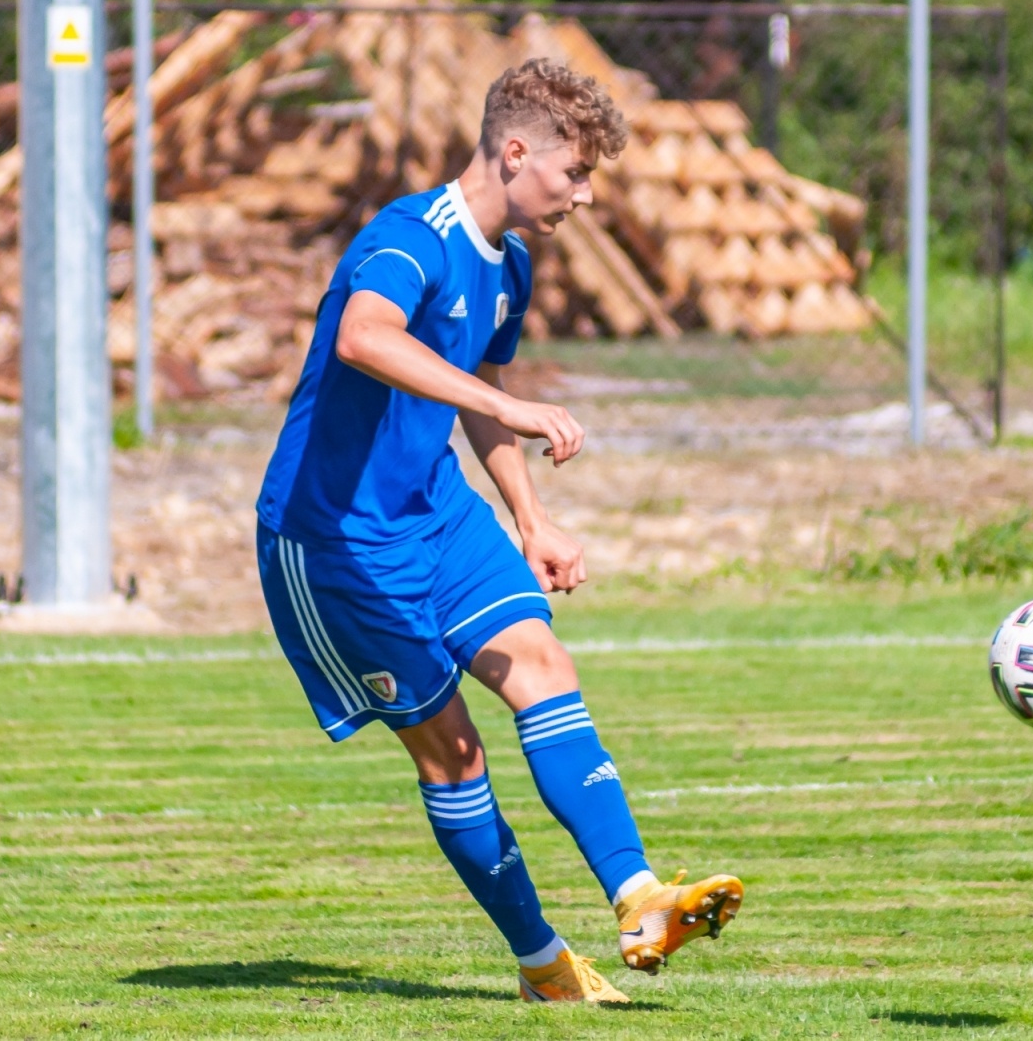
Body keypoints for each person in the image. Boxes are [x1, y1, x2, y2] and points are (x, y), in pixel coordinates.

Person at [256, 58, 744, 1003]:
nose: (586, 196)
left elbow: (475, 399)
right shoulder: (410, 238)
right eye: (575, 174)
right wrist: (506, 403)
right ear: (516, 152)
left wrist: (531, 515)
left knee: (544, 667)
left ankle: (642, 897)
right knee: (457, 752)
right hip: (336, 544)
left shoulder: (510, 262)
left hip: (436, 514)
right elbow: (367, 337)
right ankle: (543, 965)